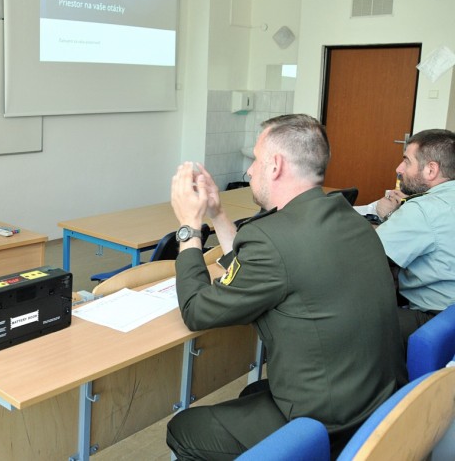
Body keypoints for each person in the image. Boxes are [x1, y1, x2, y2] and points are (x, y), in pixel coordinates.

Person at [166, 114, 406, 460]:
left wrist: (189, 227)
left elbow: (196, 310)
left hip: (330, 423)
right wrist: (217, 214)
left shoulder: (271, 238)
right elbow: (261, 269)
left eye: (256, 160)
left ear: (276, 165)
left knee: (185, 427)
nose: (250, 171)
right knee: (252, 394)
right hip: (376, 402)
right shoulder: (350, 218)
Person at [374, 129, 455, 342]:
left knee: (353, 320)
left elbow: (369, 254)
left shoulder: (423, 209)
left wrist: (388, 216)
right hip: (451, 313)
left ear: (431, 170)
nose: (399, 169)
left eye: (406, 161)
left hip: (437, 320)